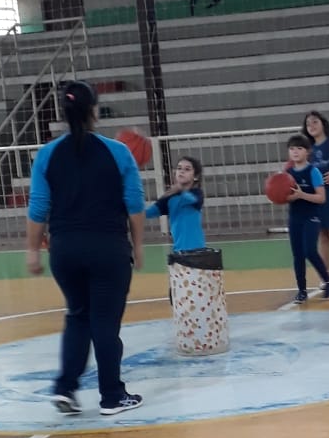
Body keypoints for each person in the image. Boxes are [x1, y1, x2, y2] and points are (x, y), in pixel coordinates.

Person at [25, 80, 145, 416]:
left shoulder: (47, 154)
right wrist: (138, 246)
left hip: (65, 250)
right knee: (105, 322)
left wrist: (32, 250)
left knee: (78, 316)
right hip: (108, 248)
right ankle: (112, 396)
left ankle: (65, 388)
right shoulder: (118, 152)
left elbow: (38, 207)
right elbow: (134, 204)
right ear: (94, 110)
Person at [285, 133, 329, 305]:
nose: (295, 152)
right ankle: (302, 291)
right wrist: (280, 196)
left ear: (307, 151)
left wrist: (301, 195)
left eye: (299, 148)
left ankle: (328, 281)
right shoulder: (287, 173)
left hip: (311, 217)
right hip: (294, 217)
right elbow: (284, 196)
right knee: (297, 255)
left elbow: (321, 198)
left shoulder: (313, 171)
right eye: (292, 149)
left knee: (309, 251)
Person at [302, 110, 329, 287]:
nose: (311, 126)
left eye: (315, 122)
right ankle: (326, 276)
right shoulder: (308, 149)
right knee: (322, 235)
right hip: (317, 196)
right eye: (308, 124)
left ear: (323, 123)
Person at [145, 155, 205, 253]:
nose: (182, 171)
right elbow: (148, 213)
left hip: (197, 250)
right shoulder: (169, 198)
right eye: (179, 168)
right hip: (178, 251)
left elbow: (192, 200)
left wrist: (180, 189)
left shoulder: (197, 193)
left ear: (196, 177)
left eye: (187, 169)